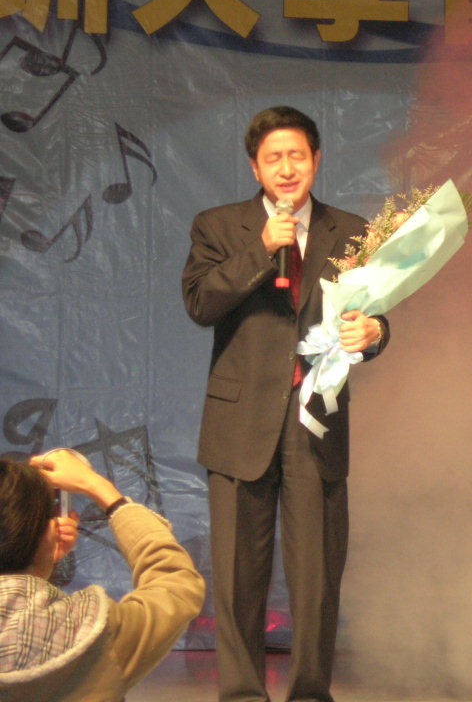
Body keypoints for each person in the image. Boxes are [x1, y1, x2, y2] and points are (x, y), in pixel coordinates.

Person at [181, 105, 389, 702]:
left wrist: (374, 333)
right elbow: (199, 304)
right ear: (255, 167)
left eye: (297, 155)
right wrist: (260, 250)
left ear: (316, 159)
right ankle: (241, 694)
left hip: (315, 420)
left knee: (316, 577)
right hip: (239, 422)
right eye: (273, 158)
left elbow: (376, 312)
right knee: (237, 579)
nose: (287, 168)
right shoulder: (219, 226)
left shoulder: (351, 230)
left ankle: (310, 693)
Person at [0, 449, 205, 701]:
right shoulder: (94, 633)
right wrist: (102, 490)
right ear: (45, 535)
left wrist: (39, 556)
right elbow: (175, 583)